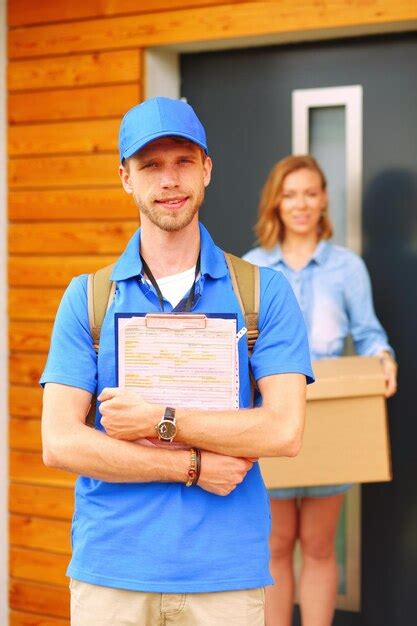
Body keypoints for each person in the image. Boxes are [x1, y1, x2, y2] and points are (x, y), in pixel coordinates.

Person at [40, 98, 314, 626]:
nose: (169, 180)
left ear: (207, 168)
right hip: (112, 574)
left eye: (183, 161)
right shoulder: (89, 298)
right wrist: (190, 465)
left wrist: (159, 421)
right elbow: (60, 442)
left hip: (225, 577)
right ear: (125, 178)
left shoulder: (262, 293)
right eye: (150, 165)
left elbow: (284, 431)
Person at [243, 154, 397, 626]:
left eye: (310, 193)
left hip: (331, 423)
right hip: (271, 420)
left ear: (324, 199)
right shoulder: (251, 268)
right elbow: (237, 347)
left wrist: (385, 359)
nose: (301, 204)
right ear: (276, 203)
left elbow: (369, 334)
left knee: (317, 546)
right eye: (290, 194)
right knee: (274, 546)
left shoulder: (346, 268)